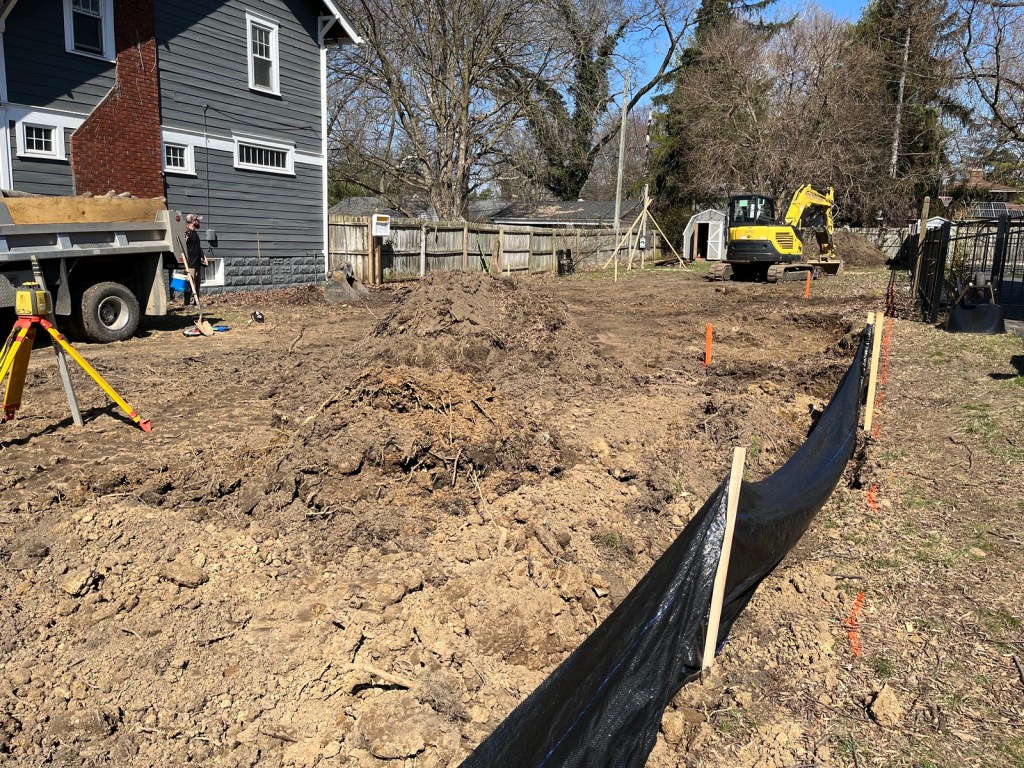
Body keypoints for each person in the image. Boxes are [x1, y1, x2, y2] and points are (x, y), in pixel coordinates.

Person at [183, 213, 208, 306]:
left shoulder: (195, 233)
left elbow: (198, 247)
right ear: (193, 221)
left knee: (197, 285)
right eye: (197, 220)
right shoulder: (187, 232)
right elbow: (182, 246)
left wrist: (204, 257)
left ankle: (196, 302)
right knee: (189, 284)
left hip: (197, 263)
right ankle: (187, 302)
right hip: (190, 263)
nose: (199, 222)